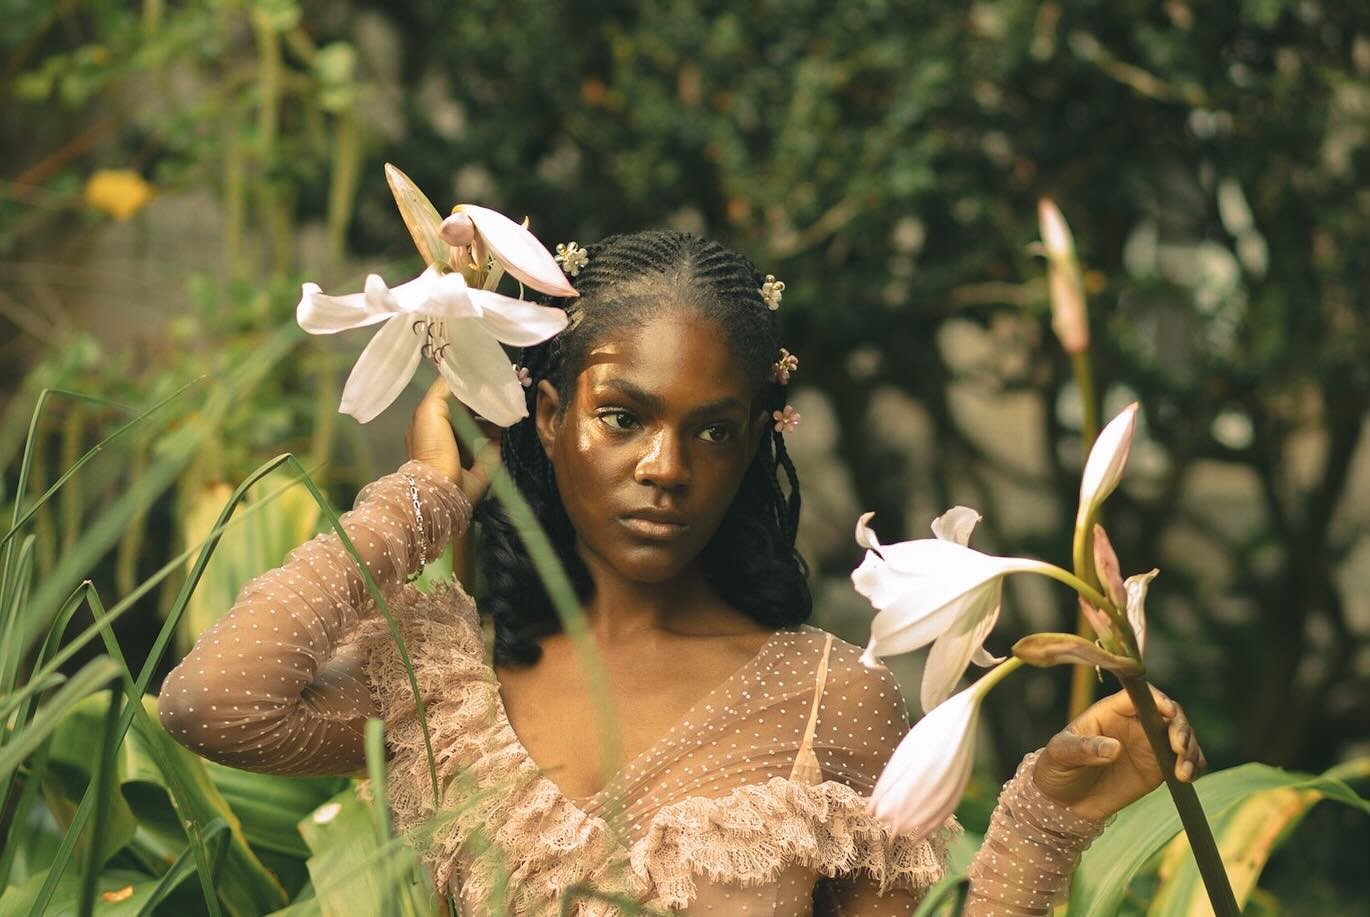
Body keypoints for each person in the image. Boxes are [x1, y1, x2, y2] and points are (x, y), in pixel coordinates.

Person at [158, 230, 1205, 915]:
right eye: (623, 417)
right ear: (547, 412)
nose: (667, 467)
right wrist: (427, 494)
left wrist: (1043, 820)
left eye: (711, 428)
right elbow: (211, 702)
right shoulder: (441, 685)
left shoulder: (826, 698)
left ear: (754, 443)